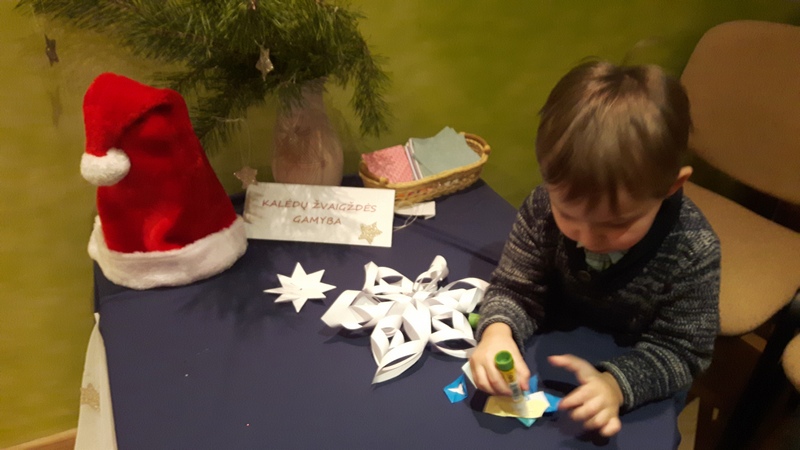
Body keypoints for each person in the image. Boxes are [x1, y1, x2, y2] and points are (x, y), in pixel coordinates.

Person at [468, 60, 720, 438]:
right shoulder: (541, 208)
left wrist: (617, 385)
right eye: (568, 215)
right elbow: (515, 288)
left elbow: (683, 352)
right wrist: (498, 332)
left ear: (672, 187)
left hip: (634, 378)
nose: (585, 239)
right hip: (552, 352)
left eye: (616, 225)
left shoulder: (694, 251)